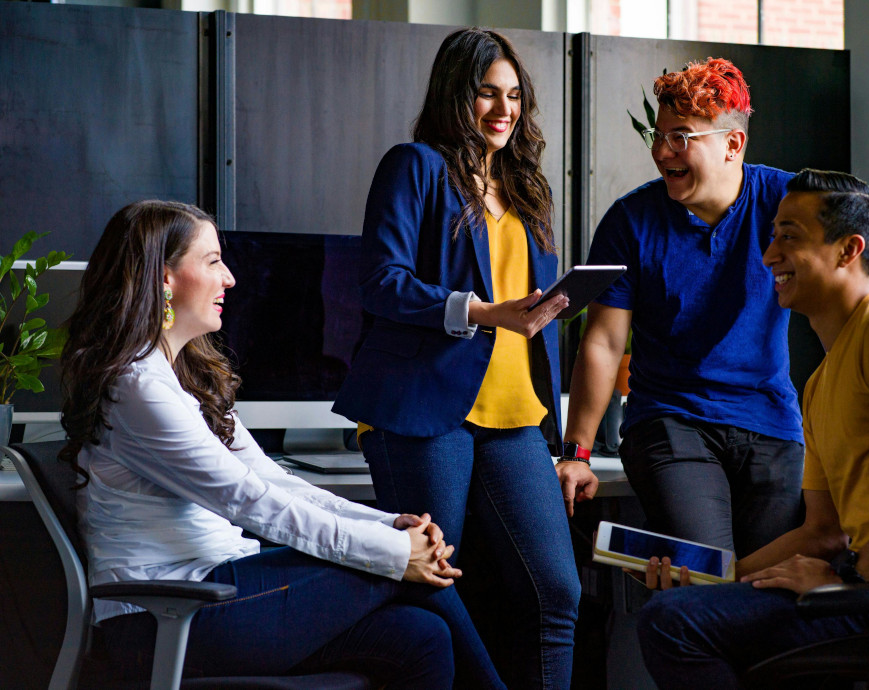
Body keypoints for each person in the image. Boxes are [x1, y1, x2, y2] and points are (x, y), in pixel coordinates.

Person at [58, 200, 504, 689]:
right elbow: (248, 500)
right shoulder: (137, 386)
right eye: (212, 262)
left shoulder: (184, 376)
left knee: (421, 637)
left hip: (224, 590)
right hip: (163, 618)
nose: (229, 278)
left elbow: (272, 480)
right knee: (395, 567)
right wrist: (398, 551)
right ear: (163, 278)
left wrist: (388, 524)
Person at [634, 169, 869, 686]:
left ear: (849, 250)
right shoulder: (820, 383)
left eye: (789, 237)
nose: (769, 255)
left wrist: (849, 576)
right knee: (686, 609)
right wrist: (711, 581)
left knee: (674, 625)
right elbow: (823, 531)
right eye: (773, 235)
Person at [332, 27, 580, 690]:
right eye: (486, 94)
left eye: (513, 97)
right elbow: (381, 281)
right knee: (433, 582)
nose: (503, 109)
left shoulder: (526, 189)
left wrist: (548, 308)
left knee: (557, 593)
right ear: (455, 94)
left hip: (514, 412)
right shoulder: (415, 166)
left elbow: (523, 308)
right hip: (423, 409)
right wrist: (480, 310)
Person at [558, 57, 804, 558]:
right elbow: (604, 343)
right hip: (670, 420)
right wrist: (576, 454)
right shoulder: (631, 221)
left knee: (767, 589)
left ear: (733, 144)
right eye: (659, 135)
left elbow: (852, 263)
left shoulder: (787, 202)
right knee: (708, 573)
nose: (661, 151)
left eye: (681, 137)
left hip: (771, 421)